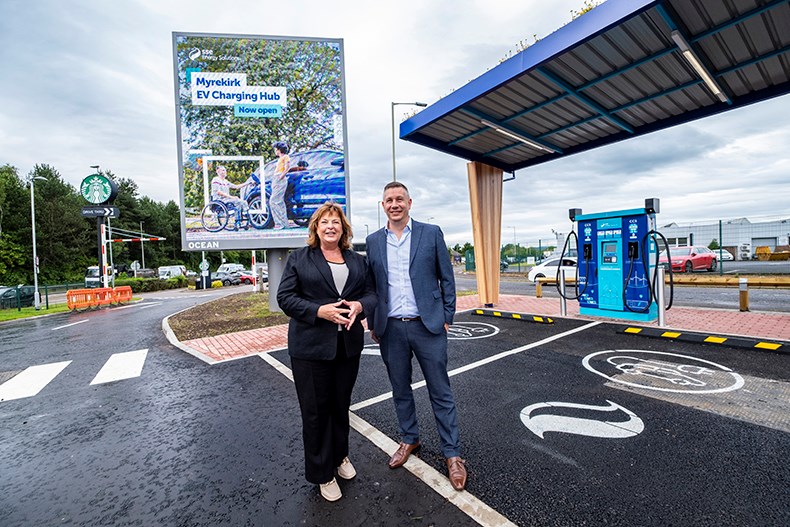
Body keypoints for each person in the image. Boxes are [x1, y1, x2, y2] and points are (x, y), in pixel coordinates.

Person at [365, 181, 467, 491]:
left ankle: (452, 455)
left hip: (428, 326)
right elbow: (371, 287)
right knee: (400, 389)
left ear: (410, 202)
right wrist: (373, 323)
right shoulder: (372, 241)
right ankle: (410, 439)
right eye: (388, 200)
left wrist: (446, 317)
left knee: (441, 391)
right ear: (382, 206)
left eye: (399, 199)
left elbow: (446, 278)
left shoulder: (430, 233)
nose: (394, 204)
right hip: (391, 328)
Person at [276, 202, 377, 502]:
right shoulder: (299, 259)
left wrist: (360, 306)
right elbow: (285, 298)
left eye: (336, 222)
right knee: (316, 412)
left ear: (344, 229)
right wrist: (319, 311)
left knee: (339, 406)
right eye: (325, 222)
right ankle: (322, 473)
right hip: (310, 350)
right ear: (316, 228)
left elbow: (372, 294)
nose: (331, 226)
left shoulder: (357, 261)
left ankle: (340, 456)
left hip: (347, 347)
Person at [210, 164, 249, 230]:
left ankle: (238, 221)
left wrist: (247, 183)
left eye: (225, 170)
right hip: (219, 200)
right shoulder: (215, 180)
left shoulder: (225, 181)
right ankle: (245, 214)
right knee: (237, 200)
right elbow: (219, 192)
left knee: (239, 203)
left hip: (226, 199)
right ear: (218, 171)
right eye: (222, 170)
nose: (224, 172)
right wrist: (231, 197)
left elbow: (236, 186)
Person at [270, 141, 290, 229]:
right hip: (276, 178)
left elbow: (287, 167)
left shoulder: (285, 157)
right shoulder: (280, 159)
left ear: (279, 150)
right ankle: (283, 223)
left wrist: (281, 176)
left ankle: (279, 223)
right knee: (279, 202)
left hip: (280, 179)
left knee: (274, 201)